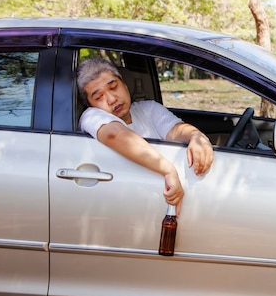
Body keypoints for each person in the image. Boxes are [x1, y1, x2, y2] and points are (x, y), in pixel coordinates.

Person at [77, 57, 214, 213]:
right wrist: (168, 170)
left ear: (125, 85)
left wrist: (196, 136)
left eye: (114, 87)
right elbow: (115, 135)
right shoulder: (91, 117)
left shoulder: (148, 108)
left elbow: (175, 130)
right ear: (90, 104)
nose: (111, 99)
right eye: (99, 97)